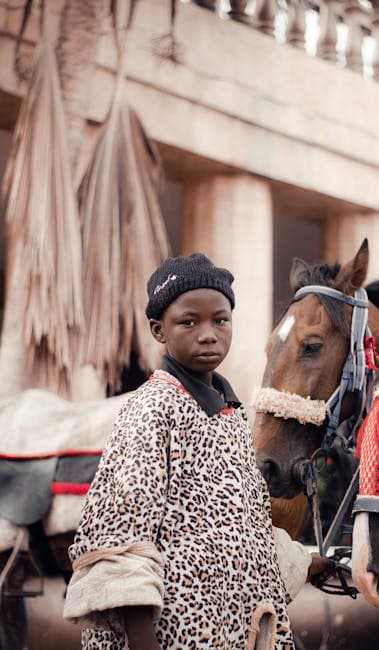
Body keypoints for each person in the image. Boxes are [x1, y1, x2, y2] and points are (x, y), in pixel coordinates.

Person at [63, 253, 328, 649]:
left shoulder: (230, 412)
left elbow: (244, 522)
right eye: (189, 322)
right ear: (159, 330)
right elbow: (120, 532)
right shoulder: (152, 408)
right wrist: (141, 639)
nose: (208, 334)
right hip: (173, 632)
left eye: (220, 320)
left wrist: (304, 562)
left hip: (233, 626)